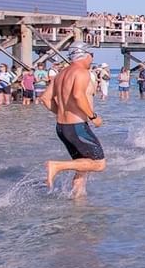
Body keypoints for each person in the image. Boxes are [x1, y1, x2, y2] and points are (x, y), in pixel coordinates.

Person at [42, 44, 106, 198]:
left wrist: (62, 113)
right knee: (99, 164)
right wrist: (93, 116)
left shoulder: (61, 74)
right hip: (77, 127)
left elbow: (44, 98)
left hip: (62, 127)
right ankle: (57, 166)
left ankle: (78, 204)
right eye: (91, 54)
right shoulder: (81, 72)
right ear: (85, 55)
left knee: (82, 167)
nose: (92, 58)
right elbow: (78, 96)